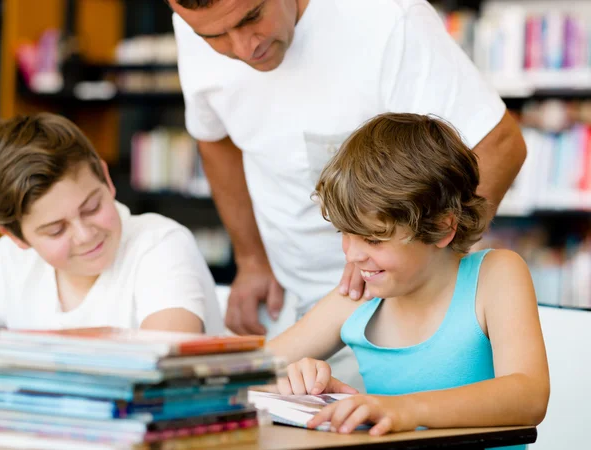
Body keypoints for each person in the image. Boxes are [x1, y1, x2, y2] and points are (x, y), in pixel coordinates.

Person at [168, 0, 527, 387]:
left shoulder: (387, 17)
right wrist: (251, 258)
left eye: (252, 17)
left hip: (407, 301)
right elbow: (214, 135)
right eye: (214, 37)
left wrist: (426, 272)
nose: (242, 48)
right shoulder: (196, 22)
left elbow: (500, 144)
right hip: (305, 308)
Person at [266, 113, 549, 443]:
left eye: (373, 239)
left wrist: (403, 410)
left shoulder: (495, 276)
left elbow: (529, 395)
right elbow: (239, 375)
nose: (352, 255)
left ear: (443, 226)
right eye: (345, 233)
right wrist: (294, 382)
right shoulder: (359, 294)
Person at [0, 113, 223, 334]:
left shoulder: (159, 246)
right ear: (16, 237)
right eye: (56, 230)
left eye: (92, 207)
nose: (84, 235)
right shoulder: (9, 262)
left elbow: (165, 358)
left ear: (106, 177)